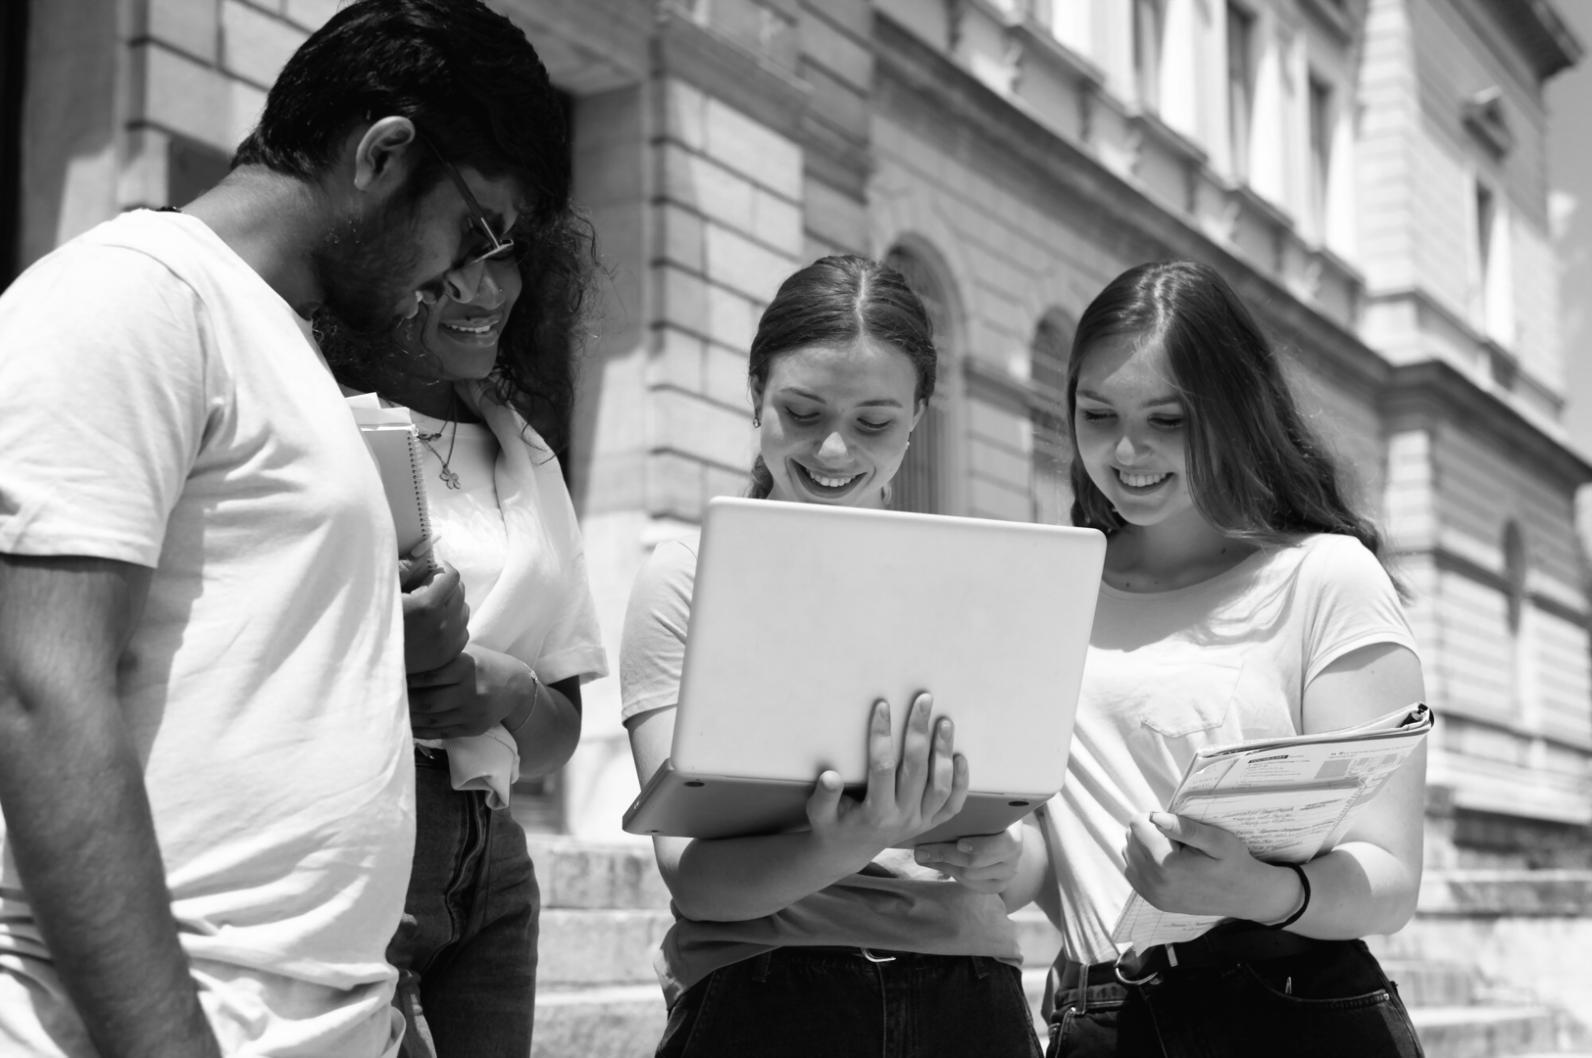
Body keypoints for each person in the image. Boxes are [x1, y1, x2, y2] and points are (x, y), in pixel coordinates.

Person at [0, 2, 567, 1055]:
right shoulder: (135, 293)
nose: (463, 276)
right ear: (383, 154)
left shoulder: (284, 345)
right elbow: (40, 692)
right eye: (474, 228)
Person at [620, 255, 1048, 1058]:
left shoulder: (977, 584)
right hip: (768, 990)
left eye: (874, 423)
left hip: (971, 994)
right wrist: (849, 840)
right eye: (802, 412)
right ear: (756, 394)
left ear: (918, 416)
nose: (835, 449)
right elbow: (695, 877)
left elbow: (1026, 869)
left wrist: (1000, 861)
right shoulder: (688, 579)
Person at [1035, 260, 1427, 1057]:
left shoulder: (1325, 576)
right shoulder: (1050, 588)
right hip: (1099, 1020)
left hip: (1288, 1009)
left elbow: (1389, 881)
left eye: (1168, 419)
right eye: (1097, 414)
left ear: (1234, 412)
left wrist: (1255, 889)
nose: (1128, 449)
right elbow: (1054, 860)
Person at [318, 206, 607, 1058]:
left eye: (503, 256)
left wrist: (506, 691)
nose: (482, 290)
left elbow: (560, 733)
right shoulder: (310, 417)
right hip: (358, 823)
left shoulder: (528, 454)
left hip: (494, 861)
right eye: (452, 262)